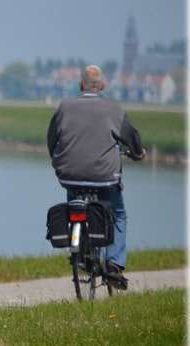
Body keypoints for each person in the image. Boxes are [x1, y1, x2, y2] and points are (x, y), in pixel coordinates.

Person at [47, 65, 145, 287]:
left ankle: (80, 250)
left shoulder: (64, 106)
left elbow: (52, 139)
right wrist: (138, 154)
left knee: (75, 205)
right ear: (102, 86)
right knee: (118, 215)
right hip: (105, 177)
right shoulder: (114, 109)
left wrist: (57, 159)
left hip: (70, 175)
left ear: (80, 85)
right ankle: (114, 265)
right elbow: (132, 137)